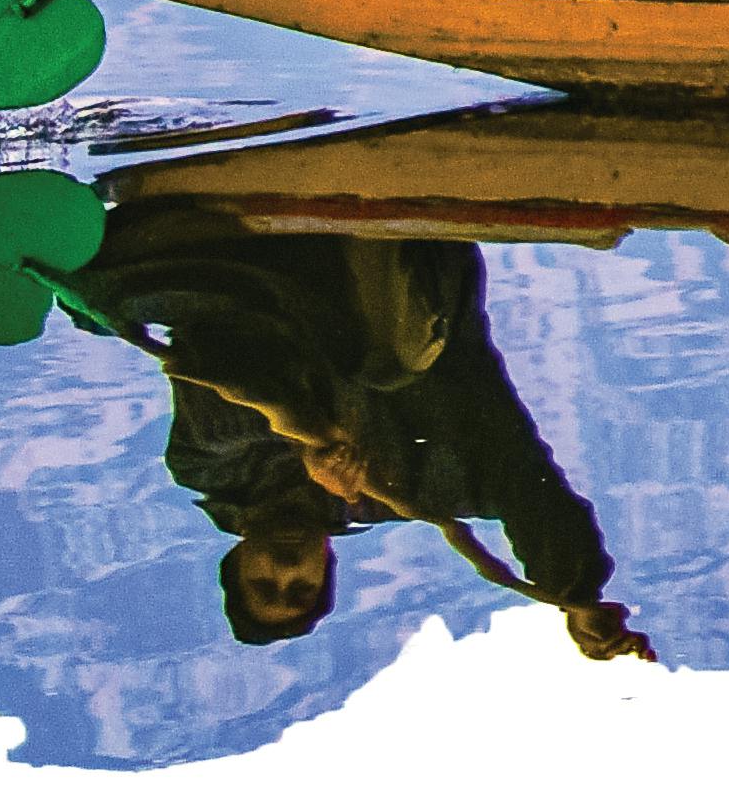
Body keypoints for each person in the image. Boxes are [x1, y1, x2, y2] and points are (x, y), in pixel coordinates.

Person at [68, 195, 646, 660]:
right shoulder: (412, 491)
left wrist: (313, 439)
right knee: (391, 363)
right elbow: (526, 489)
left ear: (237, 561)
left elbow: (220, 376)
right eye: (302, 587)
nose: (287, 571)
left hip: (251, 273)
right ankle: (376, 206)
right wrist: (574, 592)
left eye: (264, 584)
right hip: (399, 267)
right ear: (327, 567)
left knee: (87, 298)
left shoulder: (206, 467)